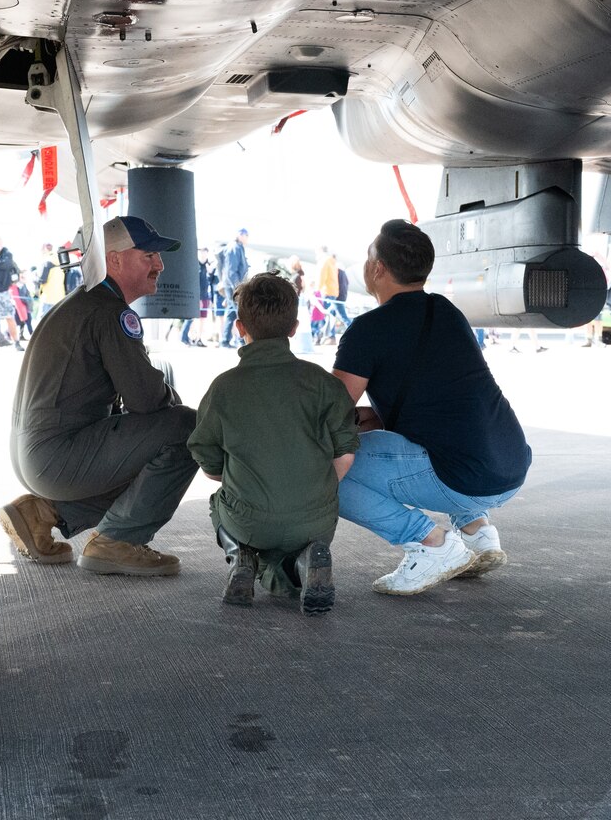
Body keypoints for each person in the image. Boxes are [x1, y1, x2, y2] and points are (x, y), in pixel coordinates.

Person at [331, 219, 531, 595]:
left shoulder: (368, 329)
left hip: (463, 477)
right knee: (446, 435)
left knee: (326, 472)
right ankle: (476, 532)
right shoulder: (446, 312)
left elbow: (330, 413)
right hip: (510, 464)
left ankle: (429, 543)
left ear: (377, 268)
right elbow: (444, 397)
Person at [1, 214, 198, 576]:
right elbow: (146, 400)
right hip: (57, 456)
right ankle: (118, 541)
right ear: (115, 260)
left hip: (38, 454)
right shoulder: (109, 313)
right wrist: (170, 395)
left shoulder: (79, 303)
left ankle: (42, 513)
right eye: (149, 255)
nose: (160, 264)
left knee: (146, 444)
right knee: (188, 428)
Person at [188, 273, 359, 614]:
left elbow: (207, 462)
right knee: (294, 538)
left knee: (217, 503)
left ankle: (241, 559)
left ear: (240, 327)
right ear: (294, 328)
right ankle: (308, 557)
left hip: (248, 518)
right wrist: (316, 488)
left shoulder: (223, 388)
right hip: (316, 519)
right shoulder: (324, 384)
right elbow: (346, 453)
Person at [219, 228, 250, 347]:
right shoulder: (234, 248)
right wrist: (238, 288)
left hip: (233, 285)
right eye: (246, 235)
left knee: (232, 312)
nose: (248, 238)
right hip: (233, 286)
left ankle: (226, 340)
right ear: (241, 235)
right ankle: (239, 340)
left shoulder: (237, 247)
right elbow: (232, 271)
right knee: (238, 311)